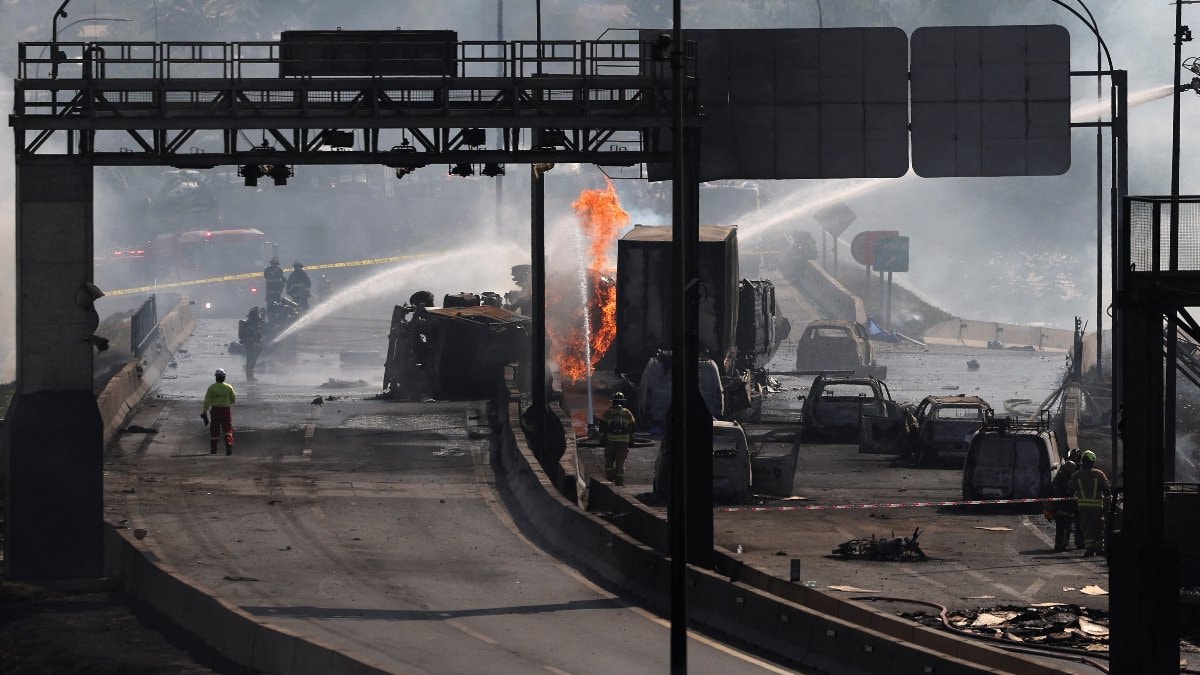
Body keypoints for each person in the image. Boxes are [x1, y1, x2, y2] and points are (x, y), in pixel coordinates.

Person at [1070, 450, 1111, 557]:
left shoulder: (1077, 475)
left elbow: (1070, 490)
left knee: (1087, 529)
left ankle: (1089, 550)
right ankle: (1099, 549)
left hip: (1083, 507)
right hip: (1097, 507)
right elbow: (1107, 491)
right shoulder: (1099, 474)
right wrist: (1106, 506)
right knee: (1098, 528)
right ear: (1092, 461)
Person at [601, 391, 636, 486]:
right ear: (623, 402)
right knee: (620, 464)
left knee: (609, 462)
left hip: (611, 442)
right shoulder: (627, 413)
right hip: (623, 442)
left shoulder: (608, 413)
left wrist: (601, 440)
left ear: (613, 402)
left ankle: (609, 481)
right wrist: (632, 440)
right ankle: (619, 484)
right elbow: (632, 427)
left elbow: (602, 427)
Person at [1050, 448, 1080, 552]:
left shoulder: (1061, 475)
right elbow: (1067, 490)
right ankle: (1060, 546)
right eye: (1073, 469)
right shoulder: (1063, 477)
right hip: (1064, 506)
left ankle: (1062, 545)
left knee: (1065, 527)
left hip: (1062, 506)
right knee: (1063, 527)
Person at [201, 368, 236, 456]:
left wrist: (204, 412)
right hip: (225, 411)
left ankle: (213, 449)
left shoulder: (211, 388)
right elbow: (233, 399)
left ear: (216, 377)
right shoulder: (228, 387)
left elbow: (207, 401)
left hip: (215, 411)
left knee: (214, 429)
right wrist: (226, 402)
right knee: (227, 429)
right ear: (224, 377)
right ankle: (228, 444)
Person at [239, 307, 264, 381]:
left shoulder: (252, 322)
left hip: (251, 344)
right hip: (251, 344)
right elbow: (251, 335)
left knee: (252, 360)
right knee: (251, 360)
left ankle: (250, 377)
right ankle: (249, 377)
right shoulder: (251, 324)